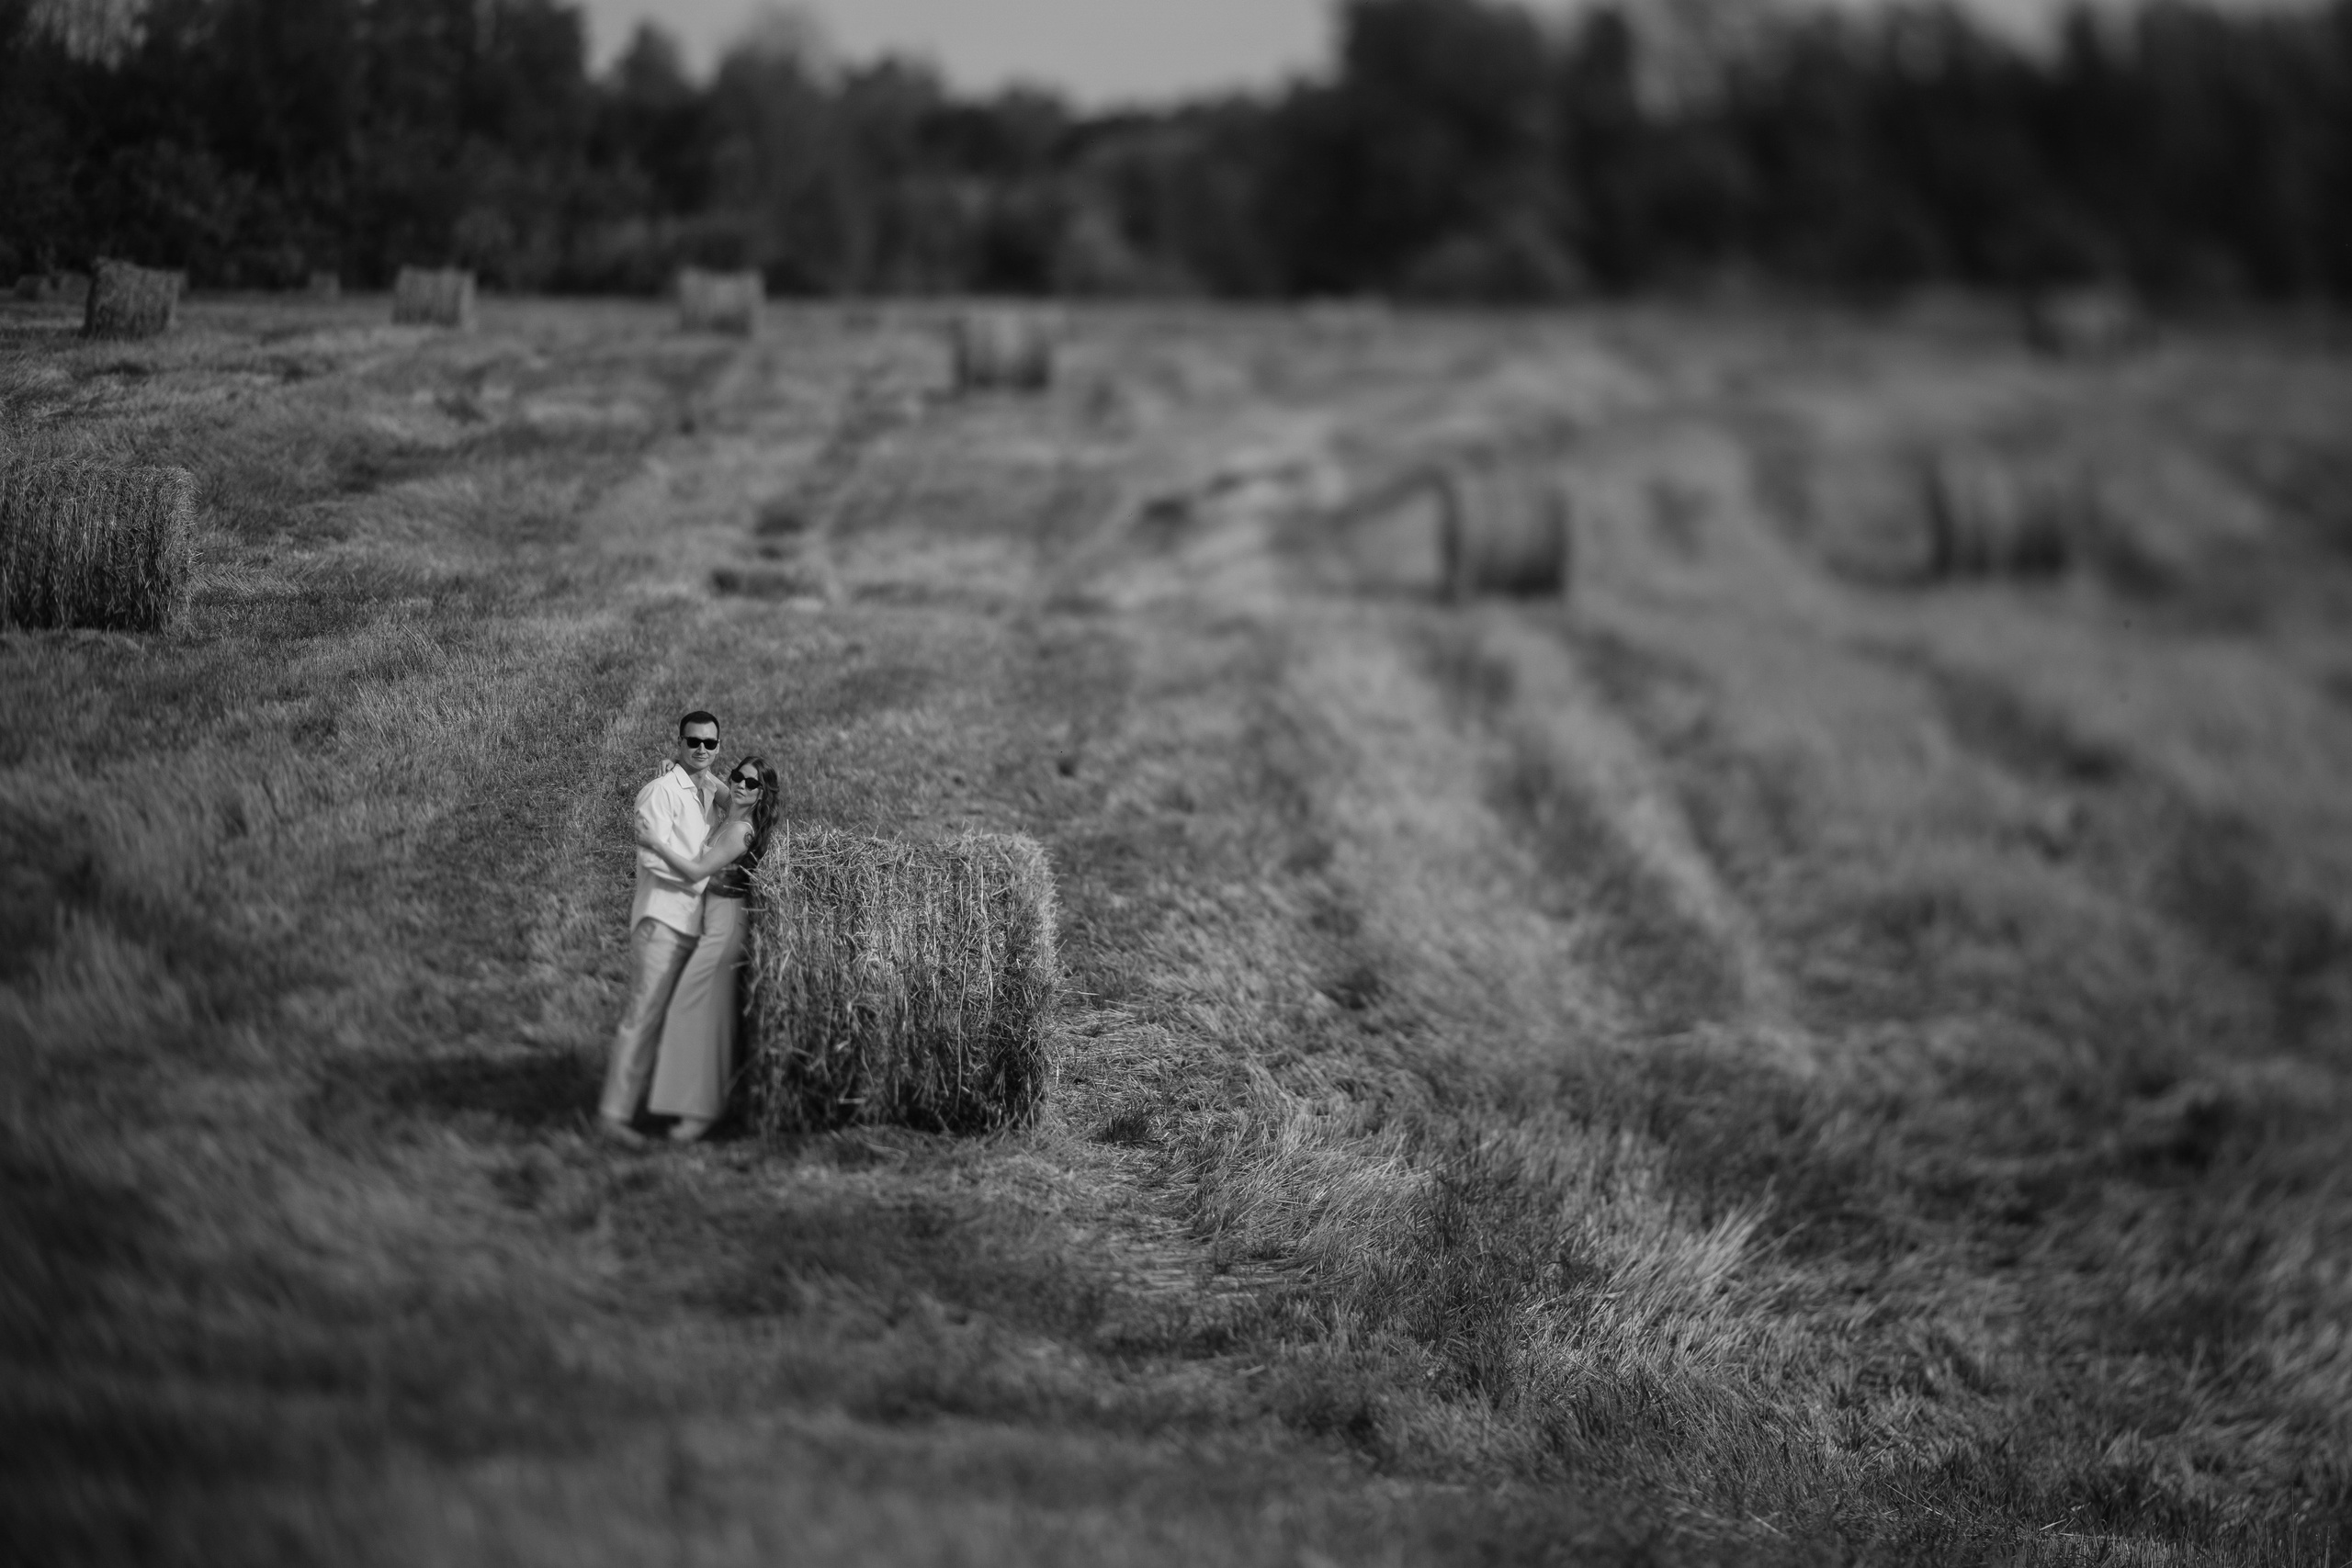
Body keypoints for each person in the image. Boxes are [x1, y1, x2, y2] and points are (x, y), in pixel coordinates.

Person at [638, 754, 780, 1142]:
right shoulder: (730, 804)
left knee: (698, 1013)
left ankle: (702, 1113)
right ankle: (692, 1105)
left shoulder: (741, 831)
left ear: (763, 794)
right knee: (697, 1014)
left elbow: (698, 871)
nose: (742, 786)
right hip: (711, 923)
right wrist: (674, 768)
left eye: (753, 784)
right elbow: (705, 777)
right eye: (739, 777)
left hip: (726, 928)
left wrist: (655, 843)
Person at [600, 710, 726, 1145]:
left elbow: (750, 804)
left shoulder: (706, 791)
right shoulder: (660, 791)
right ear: (679, 741)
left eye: (710, 743)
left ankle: (670, 1106)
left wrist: (709, 779)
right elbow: (651, 857)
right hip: (662, 919)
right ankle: (613, 1117)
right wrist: (698, 875)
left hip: (694, 922)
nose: (702, 750)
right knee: (644, 1015)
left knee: (682, 1022)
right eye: (694, 741)